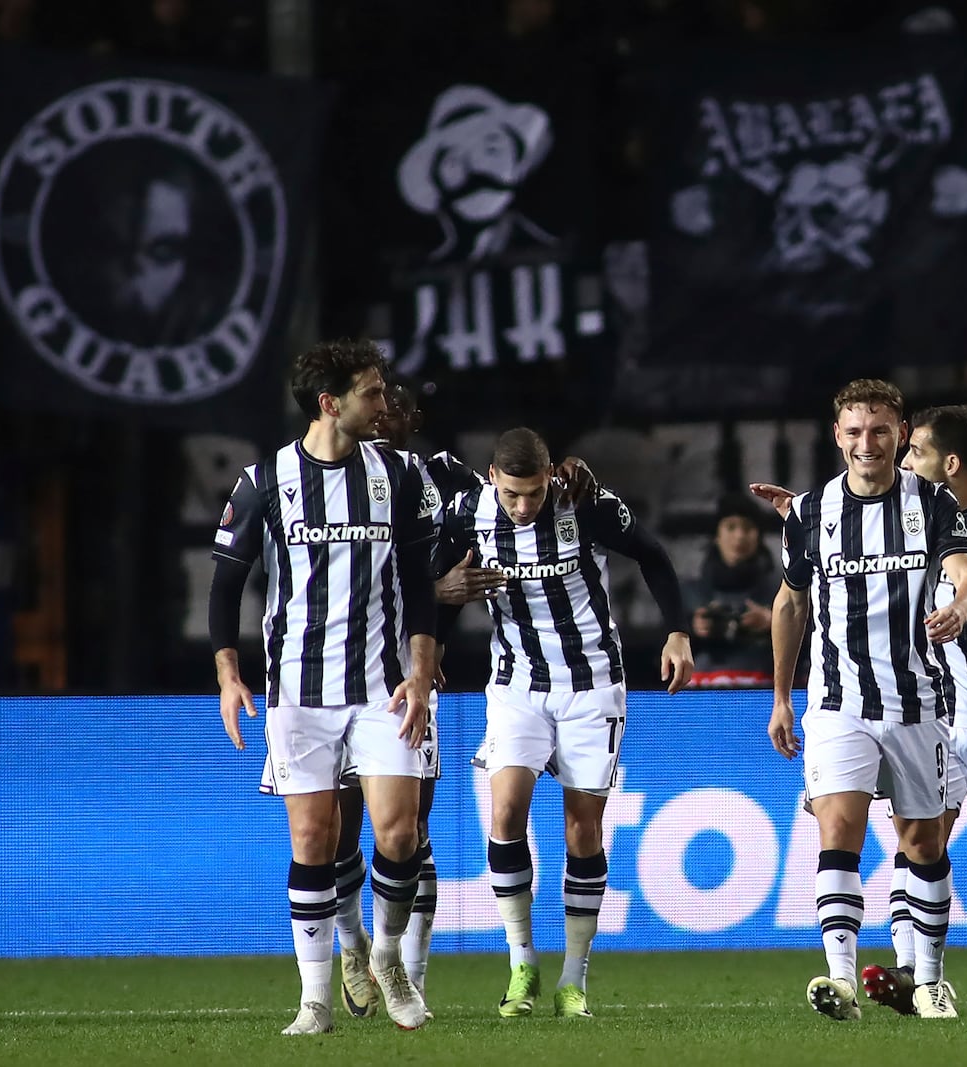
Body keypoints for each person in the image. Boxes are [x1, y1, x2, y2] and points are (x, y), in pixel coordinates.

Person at [756, 404, 967, 1016]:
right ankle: (914, 975)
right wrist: (803, 519)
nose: (899, 458)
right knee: (918, 841)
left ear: (947, 463)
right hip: (931, 708)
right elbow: (830, 567)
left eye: (912, 450)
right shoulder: (891, 514)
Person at [323, 379, 600, 1020]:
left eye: (394, 411)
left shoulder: (443, 481)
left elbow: (480, 539)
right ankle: (348, 948)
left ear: (413, 419)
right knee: (333, 831)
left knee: (409, 831)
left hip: (405, 676)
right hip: (328, 673)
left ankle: (406, 975)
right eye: (374, 408)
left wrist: (573, 475)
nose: (382, 420)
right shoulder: (311, 476)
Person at [209, 339, 439, 1036]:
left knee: (400, 831)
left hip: (382, 686)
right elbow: (227, 583)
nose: (383, 402)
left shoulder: (397, 474)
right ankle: (314, 1001)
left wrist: (423, 669)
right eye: (371, 392)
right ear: (329, 403)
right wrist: (227, 675)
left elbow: (422, 586)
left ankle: (389, 957)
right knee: (313, 838)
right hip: (299, 692)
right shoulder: (263, 480)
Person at [437, 427, 693, 1019]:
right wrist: (431, 658)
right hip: (517, 684)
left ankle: (573, 978)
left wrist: (677, 630)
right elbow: (445, 588)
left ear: (551, 475)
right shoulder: (467, 513)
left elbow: (653, 554)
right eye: (511, 496)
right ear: (492, 479)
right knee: (505, 811)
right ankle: (521, 963)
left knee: (583, 831)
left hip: (591, 683)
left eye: (532, 494)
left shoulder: (586, 502)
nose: (522, 507)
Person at [767, 379, 967, 1022]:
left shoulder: (933, 502)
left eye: (881, 431)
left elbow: (966, 572)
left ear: (899, 434)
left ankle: (930, 979)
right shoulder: (811, 512)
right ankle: (840, 979)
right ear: (837, 436)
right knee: (839, 828)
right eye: (855, 431)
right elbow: (790, 603)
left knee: (922, 844)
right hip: (837, 702)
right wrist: (780, 697)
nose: (868, 443)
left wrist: (962, 605)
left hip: (918, 703)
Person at [685, 492, 778, 688]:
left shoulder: (781, 588)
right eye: (731, 527)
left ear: (759, 536)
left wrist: (774, 623)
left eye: (748, 528)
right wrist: (691, 629)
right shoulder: (691, 592)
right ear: (717, 536)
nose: (739, 536)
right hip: (702, 690)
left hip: (763, 687)